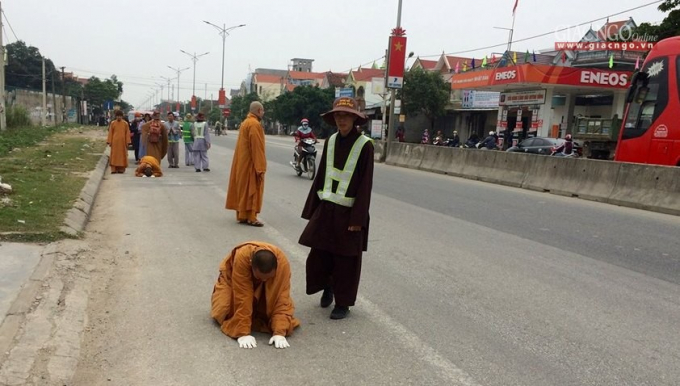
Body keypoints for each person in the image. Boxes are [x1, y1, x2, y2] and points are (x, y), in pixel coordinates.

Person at [298, 97, 374, 320]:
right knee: (319, 254)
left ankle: (343, 303)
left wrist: (357, 219)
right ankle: (327, 286)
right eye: (339, 116)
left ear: (354, 119)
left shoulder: (365, 145)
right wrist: (313, 208)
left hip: (350, 212)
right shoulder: (331, 140)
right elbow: (321, 174)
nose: (342, 120)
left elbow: (365, 184)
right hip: (327, 209)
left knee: (346, 260)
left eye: (346, 116)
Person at [210, 241, 300, 349]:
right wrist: (242, 332)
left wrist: (279, 332)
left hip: (265, 289)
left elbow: (281, 297)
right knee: (223, 309)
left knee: (272, 307)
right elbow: (243, 296)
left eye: (268, 278)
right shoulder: (242, 257)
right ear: (251, 265)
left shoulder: (282, 265)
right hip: (233, 283)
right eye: (260, 277)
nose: (264, 280)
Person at [226, 101, 267, 227]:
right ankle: (251, 217)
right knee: (251, 189)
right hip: (250, 163)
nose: (264, 113)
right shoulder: (254, 124)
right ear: (259, 110)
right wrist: (260, 167)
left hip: (242, 162)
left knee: (243, 188)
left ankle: (242, 215)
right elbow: (256, 147)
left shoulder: (245, 122)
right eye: (263, 110)